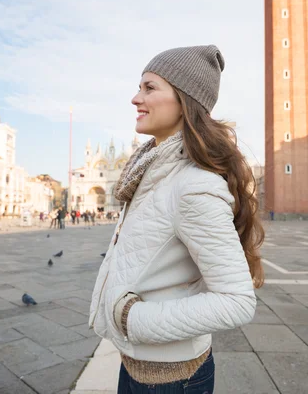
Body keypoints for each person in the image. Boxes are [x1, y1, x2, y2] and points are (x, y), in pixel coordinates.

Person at [89, 45, 263, 394]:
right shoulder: (151, 172)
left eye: (149, 87)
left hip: (171, 379)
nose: (135, 98)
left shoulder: (193, 185)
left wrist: (131, 319)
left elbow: (237, 301)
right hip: (136, 365)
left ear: (184, 100)